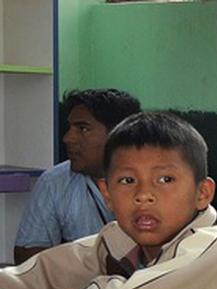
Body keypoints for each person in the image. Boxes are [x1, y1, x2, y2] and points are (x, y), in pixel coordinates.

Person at [0, 112, 217, 289]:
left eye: (165, 180)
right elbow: (32, 283)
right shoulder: (116, 243)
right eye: (127, 181)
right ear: (107, 195)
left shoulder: (209, 249)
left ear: (202, 194)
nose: (144, 195)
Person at [14, 89, 141, 265]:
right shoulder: (55, 181)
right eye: (69, 128)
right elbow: (27, 256)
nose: (68, 138)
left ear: (119, 134)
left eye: (83, 129)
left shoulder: (158, 180)